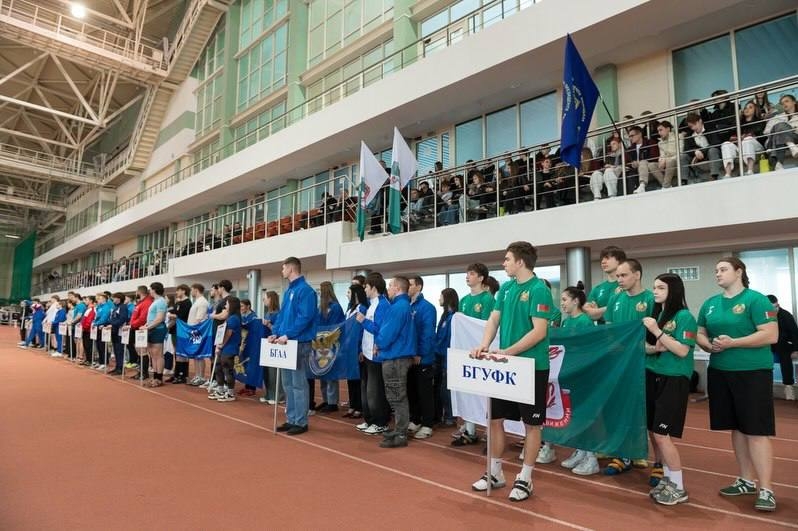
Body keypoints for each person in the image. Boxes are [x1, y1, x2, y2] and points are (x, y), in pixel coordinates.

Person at [470, 241, 553, 502]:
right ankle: (495, 472)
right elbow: (494, 319)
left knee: (532, 425)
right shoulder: (505, 288)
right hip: (506, 367)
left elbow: (539, 331)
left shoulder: (539, 290)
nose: (503, 263)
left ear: (520, 262)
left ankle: (525, 478)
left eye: (507, 259)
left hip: (531, 367)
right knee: (495, 419)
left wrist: (510, 352)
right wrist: (485, 344)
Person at [696, 257, 778, 512]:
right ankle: (745, 480)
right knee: (737, 428)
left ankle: (766, 489)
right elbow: (700, 332)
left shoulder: (756, 300)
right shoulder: (710, 303)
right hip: (721, 372)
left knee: (756, 431)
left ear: (739, 271)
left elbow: (771, 334)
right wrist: (707, 345)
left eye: (723, 269)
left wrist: (733, 343)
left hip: (752, 372)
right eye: (716, 270)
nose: (717, 274)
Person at [642, 274, 697, 506]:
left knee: (662, 435)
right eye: (654, 287)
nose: (655, 291)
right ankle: (667, 479)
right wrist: (656, 347)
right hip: (653, 374)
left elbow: (682, 350)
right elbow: (650, 347)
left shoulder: (684, 316)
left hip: (673, 378)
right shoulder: (658, 315)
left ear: (673, 290)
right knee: (655, 432)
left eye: (661, 288)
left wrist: (658, 332)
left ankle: (678, 486)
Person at [602, 259, 655, 477]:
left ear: (637, 275)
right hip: (619, 363)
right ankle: (624, 453)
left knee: (642, 410)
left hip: (644, 364)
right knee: (620, 408)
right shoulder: (615, 298)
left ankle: (641, 452)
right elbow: (609, 330)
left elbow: (654, 333)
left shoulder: (650, 299)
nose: (619, 280)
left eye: (623, 275)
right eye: (617, 276)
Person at [270, 257, 318, 436]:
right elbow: (282, 316)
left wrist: (288, 334)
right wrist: (275, 332)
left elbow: (305, 317)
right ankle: (291, 419)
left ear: (291, 269)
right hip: (286, 342)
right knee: (287, 383)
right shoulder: (289, 290)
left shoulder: (305, 291)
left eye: (283, 268)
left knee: (298, 383)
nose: (282, 271)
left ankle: (301, 421)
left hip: (299, 342)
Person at [557, 286, 600, 476]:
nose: (562, 304)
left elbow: (588, 349)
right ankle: (581, 451)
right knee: (574, 414)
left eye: (564, 299)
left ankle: (591, 458)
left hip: (583, 374)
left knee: (585, 414)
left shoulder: (585, 321)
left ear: (576, 301)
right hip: (569, 373)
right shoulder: (566, 322)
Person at [453, 263, 495, 447]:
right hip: (467, 352)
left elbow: (486, 326)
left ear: (481, 278)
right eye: (467, 273)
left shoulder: (488, 299)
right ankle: (470, 431)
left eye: (471, 273)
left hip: (482, 352)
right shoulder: (463, 300)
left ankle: (490, 433)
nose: (467, 276)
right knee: (468, 390)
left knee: (486, 393)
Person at [373, 275, 416, 449]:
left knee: (397, 397)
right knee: (397, 396)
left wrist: (379, 343)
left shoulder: (398, 307)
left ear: (397, 288)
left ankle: (401, 433)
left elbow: (388, 333)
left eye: (390, 285)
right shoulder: (403, 306)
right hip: (397, 356)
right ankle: (399, 429)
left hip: (395, 357)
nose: (388, 288)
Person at [355, 273, 392, 436]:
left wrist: (363, 321)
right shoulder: (371, 304)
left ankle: (380, 422)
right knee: (367, 389)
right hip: (367, 353)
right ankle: (370, 419)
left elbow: (381, 329)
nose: (364, 290)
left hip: (377, 354)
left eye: (366, 287)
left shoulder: (383, 305)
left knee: (375, 390)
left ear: (374, 288)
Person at [407, 275, 437, 440]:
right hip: (409, 356)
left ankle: (427, 424)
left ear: (418, 287)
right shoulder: (408, 305)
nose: (408, 287)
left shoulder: (427, 307)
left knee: (424, 392)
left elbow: (427, 333)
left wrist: (420, 353)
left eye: (411, 284)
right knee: (412, 390)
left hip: (422, 358)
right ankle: (415, 419)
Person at [312, 281, 346, 413]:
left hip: (331, 343)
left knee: (331, 373)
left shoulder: (335, 307)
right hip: (320, 344)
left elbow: (335, 326)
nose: (320, 294)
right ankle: (326, 400)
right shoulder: (321, 307)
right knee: (323, 372)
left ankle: (332, 402)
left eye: (321, 291)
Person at [720, 101, 766, 177]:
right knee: (726, 144)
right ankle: (728, 174)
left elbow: (759, 135)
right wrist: (738, 118)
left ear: (755, 110)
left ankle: (750, 170)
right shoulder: (739, 123)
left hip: (756, 147)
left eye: (750, 107)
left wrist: (744, 136)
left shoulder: (759, 121)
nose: (747, 109)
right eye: (745, 108)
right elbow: (730, 136)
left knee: (747, 139)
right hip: (740, 146)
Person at [209, 297, 242, 402]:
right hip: (224, 347)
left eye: (227, 304)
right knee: (218, 367)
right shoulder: (230, 317)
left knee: (228, 370)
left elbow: (228, 333)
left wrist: (221, 345)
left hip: (230, 348)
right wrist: (219, 345)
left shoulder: (234, 319)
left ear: (232, 305)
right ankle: (220, 390)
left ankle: (230, 393)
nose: (225, 306)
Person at [434, 288, 459, 428]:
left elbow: (448, 339)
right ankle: (445, 416)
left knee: (446, 389)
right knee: (441, 388)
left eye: (441, 296)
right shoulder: (445, 316)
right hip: (440, 357)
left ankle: (450, 417)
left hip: (447, 358)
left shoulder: (453, 317)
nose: (439, 299)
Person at [343, 284, 368, 418]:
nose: (347, 295)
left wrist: (361, 349)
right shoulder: (350, 309)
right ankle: (352, 405)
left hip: (356, 348)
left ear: (355, 294)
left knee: (358, 379)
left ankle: (359, 407)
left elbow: (362, 330)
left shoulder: (362, 308)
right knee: (350, 378)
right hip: (348, 348)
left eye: (349, 292)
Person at [767, 294, 798, 400]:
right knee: (762, 359)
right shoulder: (768, 314)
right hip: (771, 343)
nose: (774, 310)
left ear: (778, 305)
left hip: (786, 344)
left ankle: (788, 386)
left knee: (785, 357)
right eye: (771, 308)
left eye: (776, 307)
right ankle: (766, 387)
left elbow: (795, 333)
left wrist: (796, 350)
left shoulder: (786, 315)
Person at [584, 246, 626, 323]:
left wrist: (598, 311)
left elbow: (625, 309)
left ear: (619, 261)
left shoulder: (627, 285)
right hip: (603, 329)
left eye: (607, 258)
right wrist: (612, 306)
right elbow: (589, 314)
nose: (603, 262)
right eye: (602, 259)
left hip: (622, 328)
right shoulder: (597, 289)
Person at [204, 280, 231, 391]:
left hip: (222, 332)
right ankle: (218, 382)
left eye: (218, 288)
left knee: (223, 360)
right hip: (217, 332)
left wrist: (212, 316)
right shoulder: (222, 301)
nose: (217, 290)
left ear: (222, 288)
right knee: (217, 358)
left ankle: (224, 385)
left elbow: (224, 315)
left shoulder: (227, 300)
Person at [763, 94, 798, 171]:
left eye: (787, 101)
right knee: (780, 127)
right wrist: (780, 129)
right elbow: (766, 131)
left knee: (780, 128)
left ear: (794, 102)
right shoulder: (777, 117)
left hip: (795, 137)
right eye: (782, 103)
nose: (784, 104)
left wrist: (789, 128)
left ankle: (778, 163)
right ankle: (792, 146)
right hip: (777, 139)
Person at [259, 290, 282, 404]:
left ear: (271, 299)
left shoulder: (278, 314)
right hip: (266, 345)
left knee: (274, 373)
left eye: (265, 298)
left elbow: (278, 331)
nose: (263, 300)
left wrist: (268, 324)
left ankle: (278, 396)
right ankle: (268, 394)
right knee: (266, 372)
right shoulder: (267, 313)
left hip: (275, 345)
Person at [626, 126, 663, 194]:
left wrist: (639, 162)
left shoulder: (650, 143)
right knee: (630, 173)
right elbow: (626, 162)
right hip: (637, 171)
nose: (630, 138)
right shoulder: (630, 148)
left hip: (650, 169)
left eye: (632, 136)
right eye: (629, 136)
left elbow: (654, 157)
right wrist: (632, 164)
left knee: (643, 162)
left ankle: (642, 185)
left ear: (640, 134)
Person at [145, 282, 168, 387]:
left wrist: (148, 327)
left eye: (150, 289)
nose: (149, 291)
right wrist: (146, 325)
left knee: (158, 355)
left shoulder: (161, 302)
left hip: (158, 329)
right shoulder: (155, 301)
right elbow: (152, 317)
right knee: (153, 355)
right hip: (152, 329)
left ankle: (159, 378)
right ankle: (155, 377)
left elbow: (160, 318)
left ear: (154, 290)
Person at [169, 285, 193, 384]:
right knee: (177, 352)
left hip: (182, 330)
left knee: (181, 353)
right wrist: (171, 315)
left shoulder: (187, 303)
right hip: (174, 330)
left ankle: (182, 375)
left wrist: (171, 315)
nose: (176, 292)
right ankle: (177, 373)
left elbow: (181, 316)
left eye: (178, 290)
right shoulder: (178, 302)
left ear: (183, 291)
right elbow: (173, 312)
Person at [187, 284, 210, 386]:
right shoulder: (197, 301)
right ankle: (197, 375)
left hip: (197, 331)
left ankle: (201, 377)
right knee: (195, 355)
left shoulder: (202, 302)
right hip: (193, 331)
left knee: (199, 355)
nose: (191, 292)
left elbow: (199, 319)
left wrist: (193, 330)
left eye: (191, 290)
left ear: (196, 290)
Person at [129, 286, 152, 379]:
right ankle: (141, 372)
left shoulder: (147, 302)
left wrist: (133, 324)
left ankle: (144, 373)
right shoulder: (141, 302)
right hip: (136, 328)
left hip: (140, 329)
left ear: (139, 292)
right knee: (139, 351)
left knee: (142, 351)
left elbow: (143, 318)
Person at [109, 293, 129, 375]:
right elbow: (112, 318)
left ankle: (120, 368)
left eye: (114, 298)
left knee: (119, 350)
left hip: (120, 331)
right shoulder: (116, 307)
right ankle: (117, 367)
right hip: (114, 331)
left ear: (119, 299)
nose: (113, 300)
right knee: (116, 350)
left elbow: (123, 319)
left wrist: (113, 324)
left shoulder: (123, 307)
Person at [92, 293, 112, 370]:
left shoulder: (106, 307)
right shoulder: (99, 307)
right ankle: (100, 361)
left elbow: (104, 318)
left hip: (103, 327)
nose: (98, 300)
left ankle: (104, 362)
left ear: (104, 299)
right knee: (98, 345)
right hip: (98, 327)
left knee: (102, 346)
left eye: (99, 298)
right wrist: (94, 322)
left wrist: (95, 323)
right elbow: (97, 317)